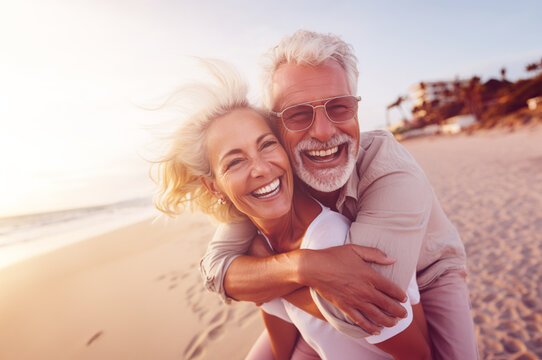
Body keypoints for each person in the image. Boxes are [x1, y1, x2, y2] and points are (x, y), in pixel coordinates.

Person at [200, 30, 479, 359]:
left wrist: (267, 267)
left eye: (340, 107)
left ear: (356, 109)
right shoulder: (274, 173)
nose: (323, 131)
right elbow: (215, 269)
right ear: (275, 125)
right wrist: (301, 267)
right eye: (298, 114)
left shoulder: (391, 170)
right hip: (326, 295)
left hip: (429, 274)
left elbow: (369, 307)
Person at [151, 60, 432, 359]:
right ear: (213, 187)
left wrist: (284, 274)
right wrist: (295, 271)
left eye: (266, 145)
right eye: (235, 161)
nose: (260, 168)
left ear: (285, 148)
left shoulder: (332, 241)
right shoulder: (259, 245)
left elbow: (418, 354)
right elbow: (280, 338)